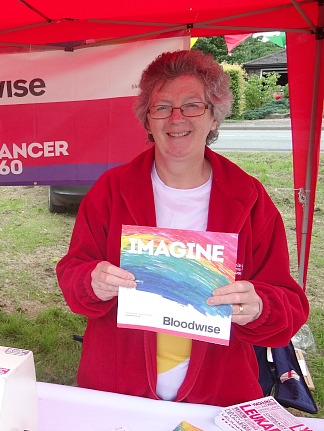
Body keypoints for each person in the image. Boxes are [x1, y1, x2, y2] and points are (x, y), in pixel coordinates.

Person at [56, 49, 309, 407]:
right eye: (162, 107)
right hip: (117, 389)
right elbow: (72, 275)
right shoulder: (112, 190)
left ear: (214, 116)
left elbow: (289, 307)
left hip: (217, 395)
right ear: (147, 120)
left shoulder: (249, 198)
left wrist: (259, 307)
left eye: (192, 105)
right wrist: (91, 281)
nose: (176, 119)